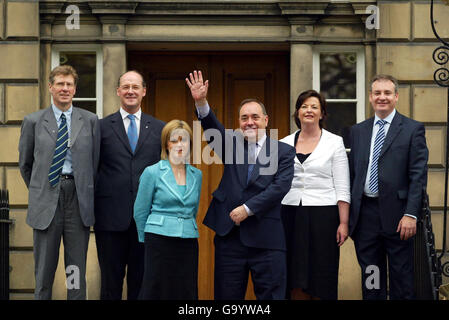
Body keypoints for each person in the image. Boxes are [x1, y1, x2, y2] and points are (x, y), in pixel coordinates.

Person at [185, 70, 295, 300]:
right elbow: (212, 129)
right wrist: (201, 102)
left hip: (267, 238)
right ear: (239, 123)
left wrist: (247, 209)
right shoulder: (231, 144)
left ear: (266, 120)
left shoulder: (283, 151)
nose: (249, 122)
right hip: (230, 239)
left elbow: (279, 188)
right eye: (244, 118)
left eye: (255, 117)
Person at [18, 65, 100, 299]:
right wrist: (42, 189)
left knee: (75, 271)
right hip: (47, 201)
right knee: (44, 272)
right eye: (60, 84)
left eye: (69, 84)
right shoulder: (33, 121)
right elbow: (25, 164)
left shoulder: (90, 120)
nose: (65, 89)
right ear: (51, 87)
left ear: (75, 89)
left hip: (77, 200)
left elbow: (95, 164)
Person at [348, 74, 428, 300]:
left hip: (399, 217)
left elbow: (418, 175)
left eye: (387, 93)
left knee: (401, 277)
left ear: (396, 96)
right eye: (377, 93)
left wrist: (411, 213)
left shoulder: (412, 129)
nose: (382, 97)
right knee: (371, 276)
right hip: (366, 218)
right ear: (370, 98)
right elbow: (353, 173)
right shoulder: (358, 131)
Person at [94, 70, 165, 300]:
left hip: (147, 222)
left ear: (144, 91)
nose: (130, 91)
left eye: (135, 87)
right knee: (110, 286)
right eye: (126, 87)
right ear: (118, 91)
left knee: (142, 285)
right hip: (110, 220)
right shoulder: (101, 127)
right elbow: (91, 170)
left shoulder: (159, 128)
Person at [279, 90, 350, 300]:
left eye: (314, 107)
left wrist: (344, 222)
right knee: (293, 274)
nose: (308, 110)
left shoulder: (334, 142)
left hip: (324, 216)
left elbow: (342, 184)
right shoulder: (283, 143)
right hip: (289, 214)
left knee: (321, 274)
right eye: (304, 106)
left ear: (322, 113)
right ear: (297, 113)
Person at [134, 120, 202, 300]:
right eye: (175, 140)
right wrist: (146, 240)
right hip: (158, 241)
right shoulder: (152, 172)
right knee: (156, 290)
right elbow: (140, 211)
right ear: (166, 143)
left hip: (188, 241)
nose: (180, 145)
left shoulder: (197, 175)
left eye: (184, 140)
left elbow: (193, 209)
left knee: (185, 290)